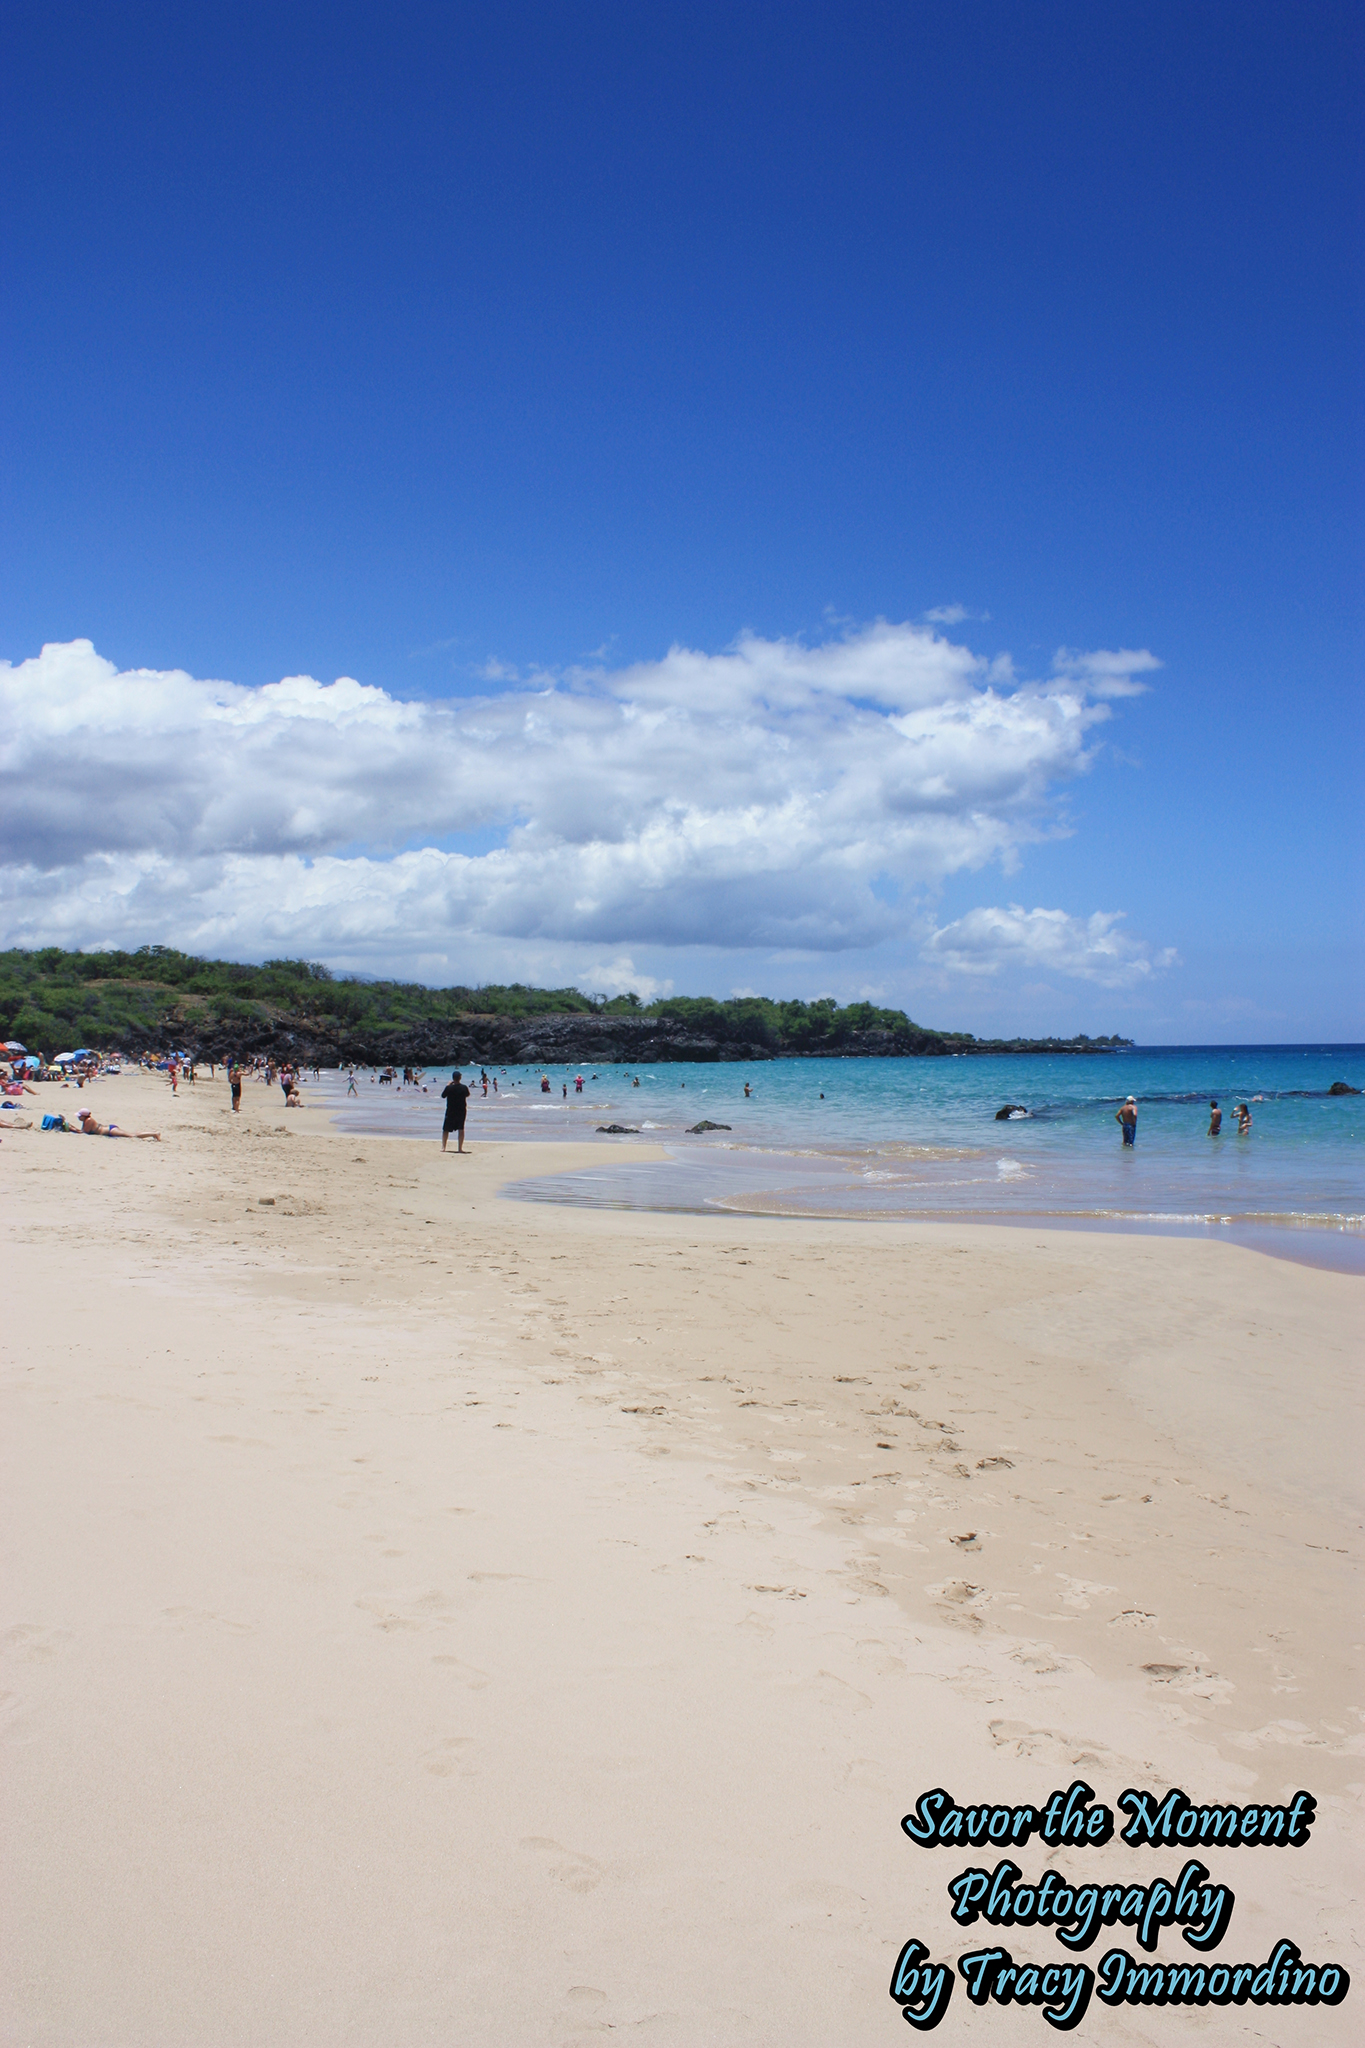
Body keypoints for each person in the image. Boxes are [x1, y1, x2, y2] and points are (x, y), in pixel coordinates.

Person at [76, 1109, 160, 1140]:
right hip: (109, 1129)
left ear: (84, 1116)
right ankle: (153, 1134)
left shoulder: (88, 1120)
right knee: (132, 1134)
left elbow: (84, 1132)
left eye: (79, 1116)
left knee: (132, 1136)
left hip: (110, 1131)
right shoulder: (87, 1120)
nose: (78, 1118)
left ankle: (154, 1133)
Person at [441, 1068, 470, 1153]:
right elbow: (467, 1095)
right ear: (460, 1078)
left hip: (450, 1110)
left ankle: (443, 1147)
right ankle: (460, 1148)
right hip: (461, 1111)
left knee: (446, 1129)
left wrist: (448, 1085)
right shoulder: (464, 1087)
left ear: (453, 1078)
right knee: (461, 1129)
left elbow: (443, 1096)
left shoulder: (449, 1088)